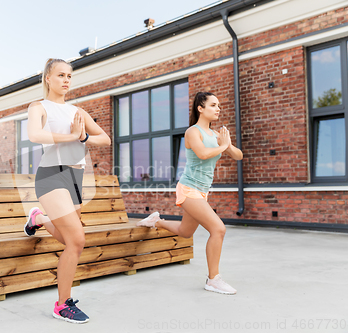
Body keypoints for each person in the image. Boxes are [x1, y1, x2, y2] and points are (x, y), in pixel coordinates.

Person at [24, 58, 111, 323]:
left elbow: (105, 139)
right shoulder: (39, 107)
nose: (66, 80)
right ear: (48, 78)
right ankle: (62, 304)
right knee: (77, 240)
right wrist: (71, 136)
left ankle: (38, 218)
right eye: (60, 75)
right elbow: (35, 135)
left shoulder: (78, 112)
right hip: (52, 175)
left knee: (68, 238)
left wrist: (83, 136)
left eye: (69, 76)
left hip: (75, 177)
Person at [137, 91, 243, 295]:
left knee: (186, 232)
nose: (218, 108)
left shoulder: (216, 136)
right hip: (188, 188)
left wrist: (226, 144)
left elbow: (238, 155)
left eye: (218, 105)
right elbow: (203, 154)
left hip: (202, 192)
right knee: (218, 229)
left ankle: (155, 221)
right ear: (200, 108)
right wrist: (222, 146)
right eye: (213, 105)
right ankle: (213, 279)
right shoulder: (193, 132)